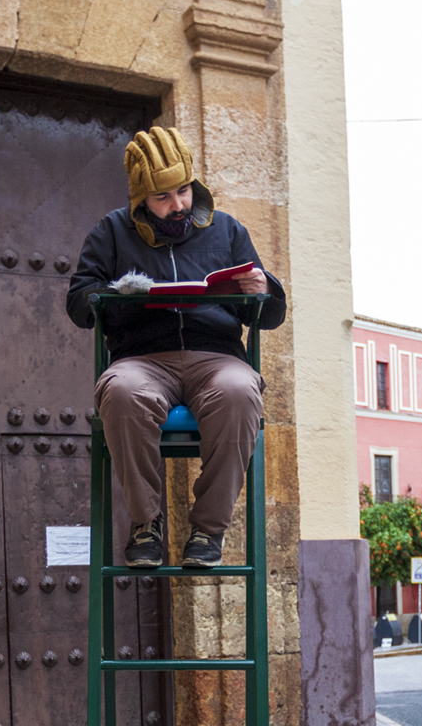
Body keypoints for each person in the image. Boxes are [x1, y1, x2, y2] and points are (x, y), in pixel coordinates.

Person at [65, 127, 287, 568]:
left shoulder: (227, 229)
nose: (178, 205)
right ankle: (146, 524)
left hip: (217, 358)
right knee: (122, 391)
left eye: (183, 190)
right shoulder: (111, 231)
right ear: (141, 198)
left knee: (241, 392)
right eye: (163, 197)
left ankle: (207, 530)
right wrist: (115, 293)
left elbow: (270, 315)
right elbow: (78, 302)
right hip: (142, 359)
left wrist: (264, 287)